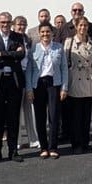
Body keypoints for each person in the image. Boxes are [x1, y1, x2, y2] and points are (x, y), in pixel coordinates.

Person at [0, 12, 27, 164]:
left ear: (11, 22)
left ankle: (13, 151)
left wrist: (3, 53)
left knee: (13, 118)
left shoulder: (18, 36)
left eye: (8, 22)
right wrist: (12, 55)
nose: (5, 25)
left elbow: (22, 56)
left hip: (14, 82)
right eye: (2, 22)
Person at [25, 22, 68, 159]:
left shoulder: (59, 48)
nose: (45, 34)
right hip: (38, 85)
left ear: (52, 33)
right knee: (40, 117)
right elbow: (29, 70)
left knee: (54, 116)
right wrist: (29, 89)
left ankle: (53, 147)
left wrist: (64, 88)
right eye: (42, 32)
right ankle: (43, 147)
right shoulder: (34, 49)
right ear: (39, 33)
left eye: (48, 32)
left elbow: (64, 69)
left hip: (54, 84)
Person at [64, 16, 92, 154]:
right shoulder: (69, 42)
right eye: (80, 25)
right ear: (76, 26)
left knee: (86, 116)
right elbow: (64, 63)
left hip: (89, 80)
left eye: (85, 25)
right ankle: (76, 143)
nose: (83, 28)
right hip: (75, 80)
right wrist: (65, 85)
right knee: (76, 116)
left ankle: (85, 142)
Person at [12, 16, 40, 150]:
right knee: (16, 110)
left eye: (24, 24)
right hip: (15, 76)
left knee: (30, 108)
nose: (21, 27)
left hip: (27, 75)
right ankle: (17, 140)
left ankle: (33, 139)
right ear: (13, 26)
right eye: (19, 24)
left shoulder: (28, 40)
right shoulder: (11, 39)